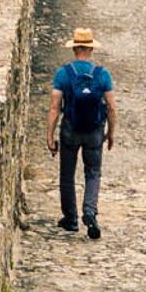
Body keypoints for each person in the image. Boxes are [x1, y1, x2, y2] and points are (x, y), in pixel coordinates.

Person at [50, 25, 112, 237]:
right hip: (94, 130)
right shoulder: (102, 75)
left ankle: (71, 219)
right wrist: (111, 132)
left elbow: (55, 106)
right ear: (91, 49)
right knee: (93, 172)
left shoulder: (63, 74)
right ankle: (90, 212)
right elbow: (111, 106)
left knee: (67, 174)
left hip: (70, 129)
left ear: (75, 49)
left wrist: (49, 135)